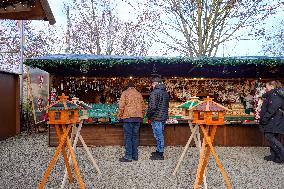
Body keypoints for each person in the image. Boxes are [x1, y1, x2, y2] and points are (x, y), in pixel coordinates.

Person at [117, 80, 145, 162]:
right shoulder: (139, 94)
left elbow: (121, 106)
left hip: (128, 117)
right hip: (138, 118)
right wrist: (141, 115)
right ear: (134, 87)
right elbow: (143, 107)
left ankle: (128, 156)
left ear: (127, 87)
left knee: (128, 137)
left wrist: (119, 116)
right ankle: (135, 155)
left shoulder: (125, 93)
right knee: (135, 137)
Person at [259, 80, 284, 164]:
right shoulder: (274, 94)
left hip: (274, 120)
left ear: (272, 86)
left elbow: (272, 109)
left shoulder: (275, 95)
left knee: (269, 136)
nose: (266, 88)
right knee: (274, 137)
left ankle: (281, 154)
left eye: (267, 87)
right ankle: (274, 156)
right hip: (275, 120)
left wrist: (264, 119)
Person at [147, 76, 170, 160]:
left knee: (158, 135)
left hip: (156, 117)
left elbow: (152, 107)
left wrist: (148, 115)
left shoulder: (154, 93)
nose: (152, 85)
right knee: (160, 134)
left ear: (155, 83)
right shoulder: (165, 92)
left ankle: (160, 153)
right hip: (163, 117)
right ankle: (158, 150)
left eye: (152, 84)